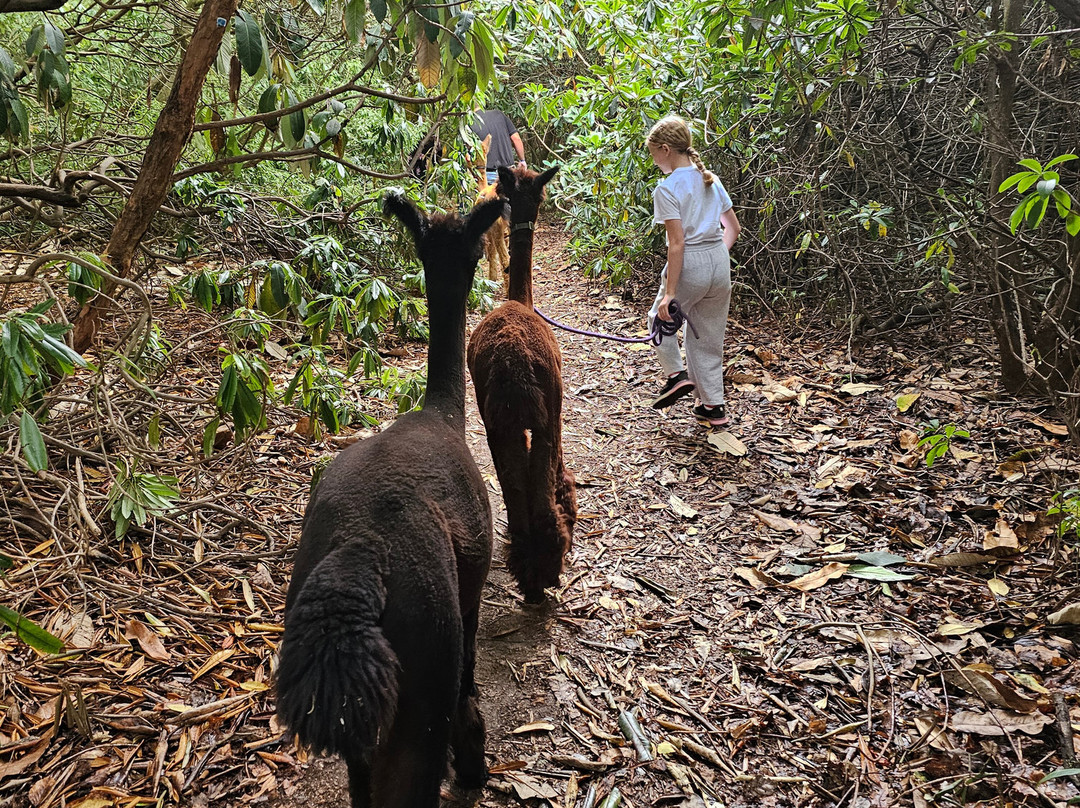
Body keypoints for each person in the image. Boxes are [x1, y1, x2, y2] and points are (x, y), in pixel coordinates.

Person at [645, 115, 741, 428]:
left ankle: (675, 376)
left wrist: (670, 292)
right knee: (708, 338)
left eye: (653, 153)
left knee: (658, 320)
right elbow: (734, 228)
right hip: (719, 260)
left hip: (691, 262)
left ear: (664, 149)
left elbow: (677, 243)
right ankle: (713, 406)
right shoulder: (709, 179)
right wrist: (716, 259)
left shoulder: (667, 188)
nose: (653, 160)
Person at [470, 108, 527, 184]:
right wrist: (522, 161)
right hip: (507, 172)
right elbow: (516, 139)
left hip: (484, 175)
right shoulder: (499, 114)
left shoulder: (469, 122)